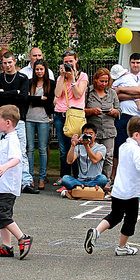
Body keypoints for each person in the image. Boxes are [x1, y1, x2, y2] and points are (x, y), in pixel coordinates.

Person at [84, 116, 140, 256]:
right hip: (130, 192)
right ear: (136, 135)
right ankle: (122, 246)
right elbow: (139, 164)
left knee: (115, 216)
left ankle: (96, 231)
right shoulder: (136, 149)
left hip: (118, 190)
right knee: (131, 219)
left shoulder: (123, 146)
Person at [0, 105, 33, 258]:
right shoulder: (5, 139)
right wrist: (0, 161)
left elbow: (17, 158)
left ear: (8, 123)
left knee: (2, 214)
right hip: (3, 183)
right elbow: (7, 156)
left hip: (8, 184)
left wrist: (4, 165)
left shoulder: (12, 139)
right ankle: (6, 246)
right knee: (0, 214)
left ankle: (23, 238)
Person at [0, 52, 35, 193]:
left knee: (21, 151)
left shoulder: (23, 78)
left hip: (19, 119)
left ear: (14, 62)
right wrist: (14, 92)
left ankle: (25, 181)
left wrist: (6, 93)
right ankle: (3, 177)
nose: (7, 65)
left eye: (10, 62)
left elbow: (24, 98)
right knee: (3, 150)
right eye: (4, 63)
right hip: (2, 119)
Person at [52, 50, 89, 187]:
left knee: (75, 146)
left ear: (76, 61)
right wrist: (63, 77)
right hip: (60, 115)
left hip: (75, 116)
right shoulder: (60, 77)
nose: (68, 64)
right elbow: (56, 93)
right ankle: (64, 177)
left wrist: (73, 79)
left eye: (70, 61)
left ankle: (77, 177)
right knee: (63, 149)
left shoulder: (82, 76)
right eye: (66, 62)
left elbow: (78, 94)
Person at [84, 68, 120, 181]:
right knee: (91, 155)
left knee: (108, 156)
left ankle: (106, 181)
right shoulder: (88, 92)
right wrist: (92, 111)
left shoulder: (112, 93)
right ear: (95, 80)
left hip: (109, 130)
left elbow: (119, 111)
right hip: (93, 130)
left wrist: (114, 112)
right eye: (101, 81)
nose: (104, 84)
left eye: (106, 81)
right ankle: (91, 179)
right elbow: (81, 110)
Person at [25, 60, 54, 189]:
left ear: (45, 70)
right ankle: (30, 176)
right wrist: (39, 99)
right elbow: (26, 98)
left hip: (43, 119)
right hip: (29, 118)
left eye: (41, 69)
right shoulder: (29, 82)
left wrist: (35, 99)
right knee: (30, 148)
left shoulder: (50, 84)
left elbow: (50, 101)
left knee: (43, 149)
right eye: (37, 69)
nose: (39, 72)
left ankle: (42, 177)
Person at [61, 124, 108, 191]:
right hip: (80, 180)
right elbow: (69, 161)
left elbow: (95, 160)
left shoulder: (101, 147)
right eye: (85, 134)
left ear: (95, 136)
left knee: (103, 179)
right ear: (82, 135)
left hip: (95, 179)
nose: (88, 136)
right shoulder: (79, 147)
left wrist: (86, 146)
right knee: (65, 178)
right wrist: (73, 145)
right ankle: (87, 188)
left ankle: (80, 188)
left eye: (90, 134)